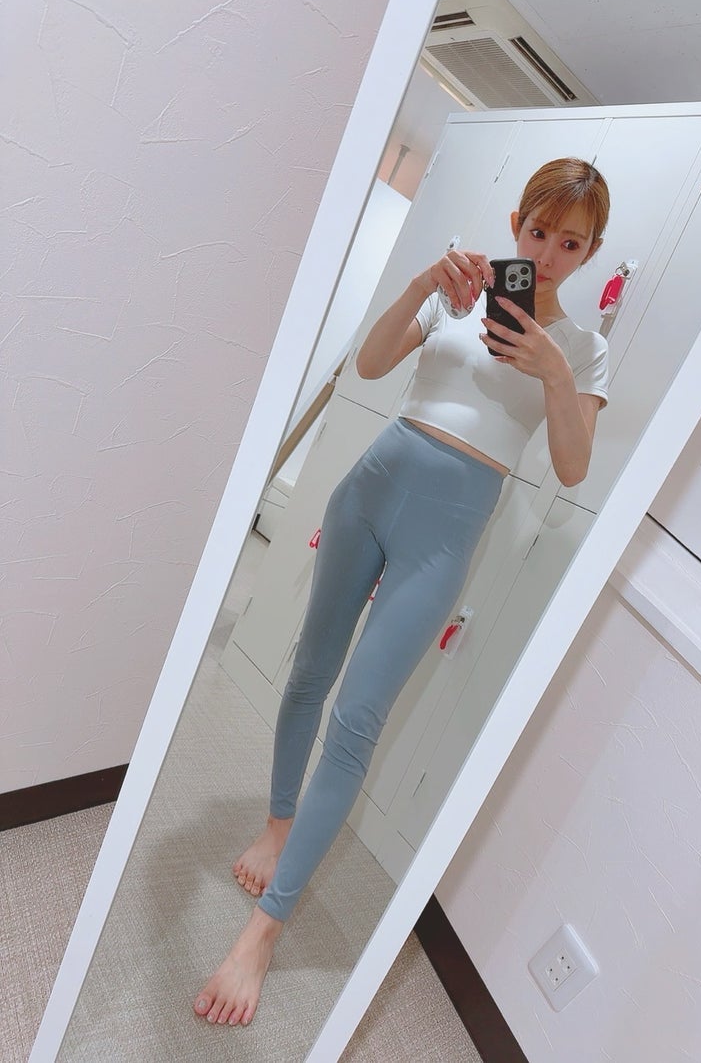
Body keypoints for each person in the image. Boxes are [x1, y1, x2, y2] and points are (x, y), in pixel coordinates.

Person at [193, 156, 610, 1026]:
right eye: (539, 231)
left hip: (447, 533)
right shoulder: (461, 289)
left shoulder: (582, 349)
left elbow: (573, 466)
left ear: (590, 251)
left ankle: (264, 933)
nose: (549, 254)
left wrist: (553, 371)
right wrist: (425, 282)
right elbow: (373, 364)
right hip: (372, 488)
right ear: (517, 222)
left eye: (570, 243)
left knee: (358, 719)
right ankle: (278, 823)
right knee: (309, 674)